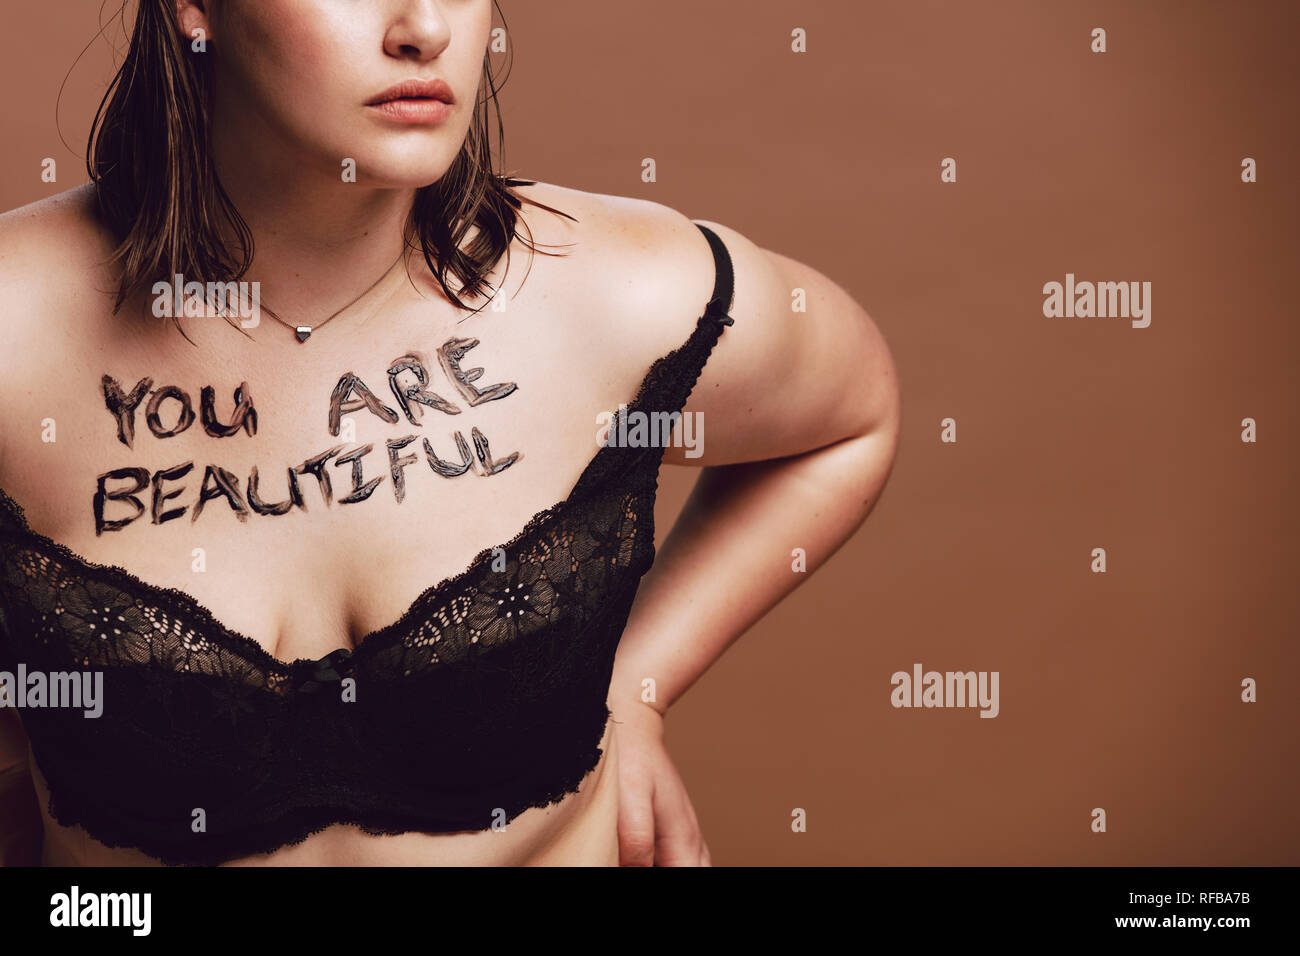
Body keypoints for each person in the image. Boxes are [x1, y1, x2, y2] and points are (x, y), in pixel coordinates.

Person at [0, 0, 900, 866]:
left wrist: (640, 687)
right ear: (195, 5)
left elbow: (852, 416)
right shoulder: (19, 333)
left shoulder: (611, 297)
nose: (424, 28)